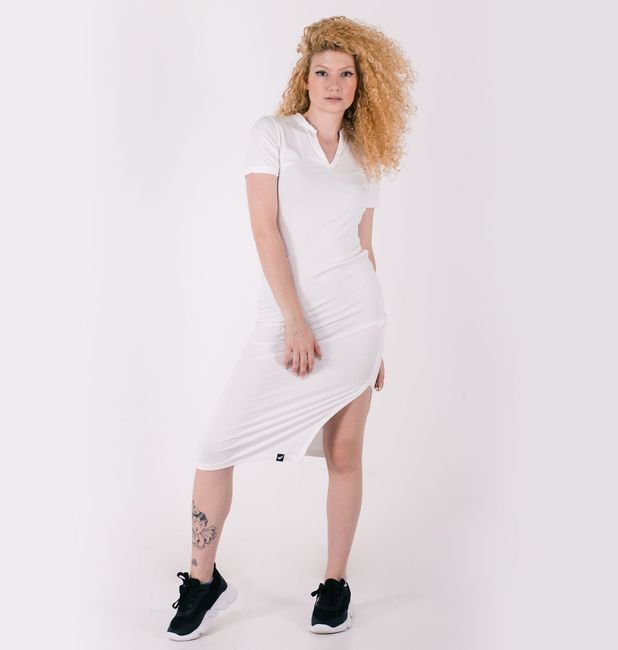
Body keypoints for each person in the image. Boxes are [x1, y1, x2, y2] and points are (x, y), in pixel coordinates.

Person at [167, 15, 416, 641]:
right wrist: (294, 321)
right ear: (304, 79)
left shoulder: (366, 155)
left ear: (361, 84)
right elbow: (264, 230)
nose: (333, 83)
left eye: (346, 74)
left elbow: (365, 248)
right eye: (322, 72)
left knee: (345, 454)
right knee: (215, 448)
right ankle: (202, 580)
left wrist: (378, 344)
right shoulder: (273, 134)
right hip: (287, 321)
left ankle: (335, 585)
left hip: (358, 321)